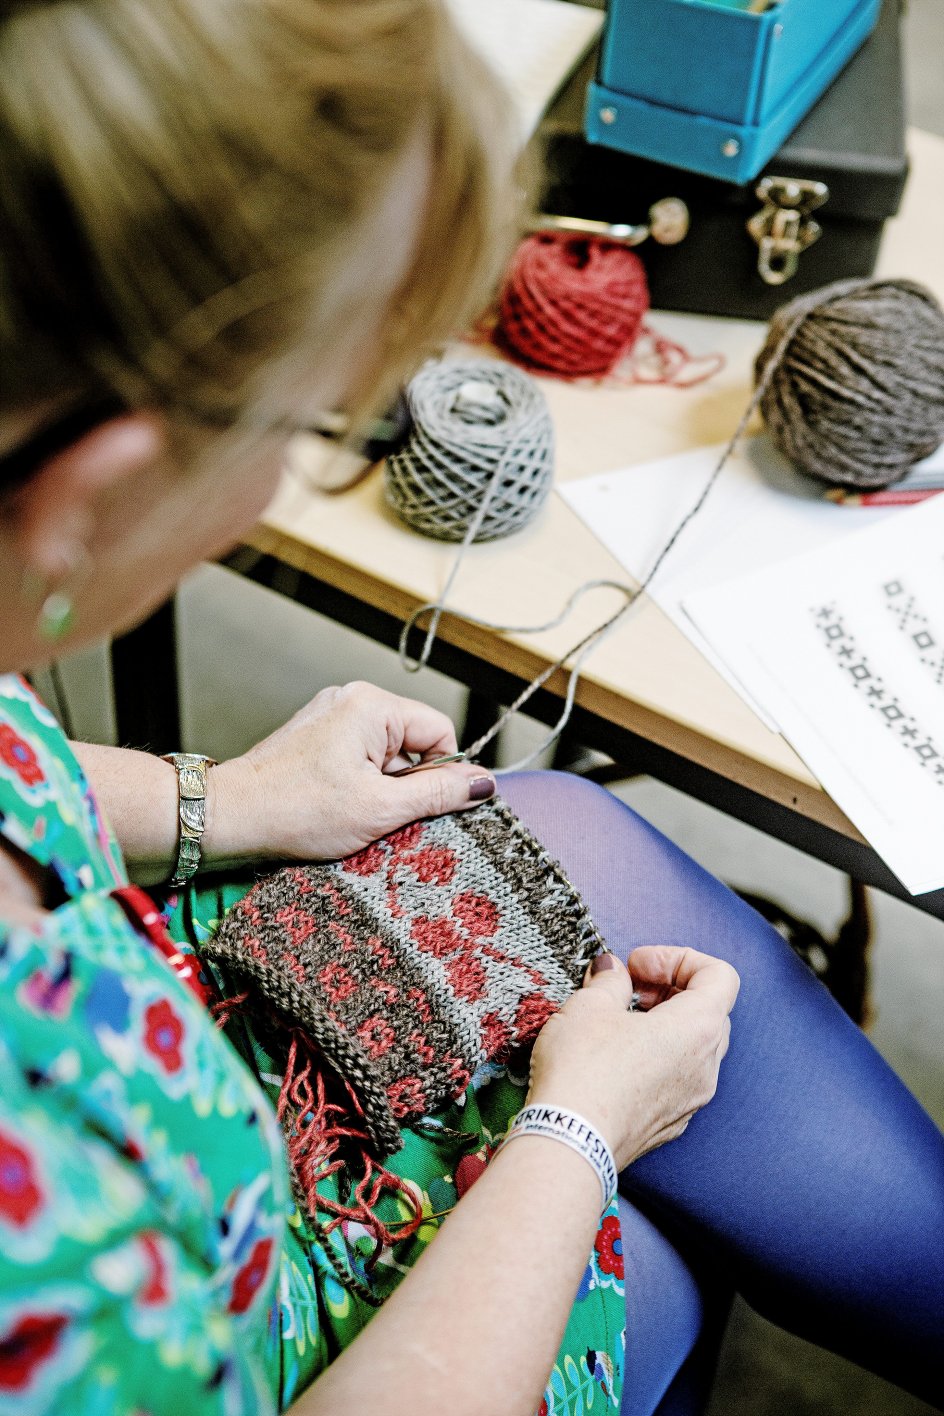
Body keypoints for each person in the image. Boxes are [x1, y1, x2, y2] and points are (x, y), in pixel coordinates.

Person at [0, 2, 941, 1413]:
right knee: (657, 1253)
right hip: (238, 1323)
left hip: (151, 1055)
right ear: (95, 490)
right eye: (328, 421)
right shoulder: (51, 1250)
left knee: (561, 838)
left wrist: (229, 801)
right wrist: (575, 1133)